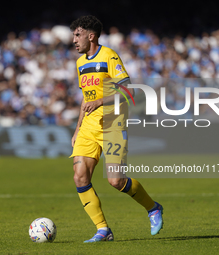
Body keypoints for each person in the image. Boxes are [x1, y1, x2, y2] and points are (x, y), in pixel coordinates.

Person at [69, 15, 164, 243]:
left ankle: (153, 208)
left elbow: (128, 90)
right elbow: (86, 98)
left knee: (116, 181)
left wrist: (101, 102)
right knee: (80, 177)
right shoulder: (80, 63)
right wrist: (77, 127)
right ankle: (103, 229)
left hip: (112, 123)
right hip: (89, 126)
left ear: (91, 36)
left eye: (77, 35)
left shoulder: (109, 56)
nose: (74, 40)